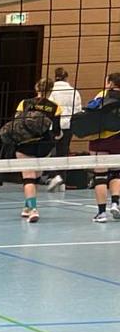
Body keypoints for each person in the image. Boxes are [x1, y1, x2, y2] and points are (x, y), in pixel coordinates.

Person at [10, 79, 62, 223]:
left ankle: (33, 209)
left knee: (28, 177)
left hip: (24, 142)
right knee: (35, 177)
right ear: (51, 90)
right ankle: (27, 207)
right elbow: (57, 131)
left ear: (36, 88)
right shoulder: (55, 107)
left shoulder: (24, 103)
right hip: (44, 144)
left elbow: (15, 123)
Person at [80, 72, 120, 222]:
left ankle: (102, 213)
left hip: (100, 140)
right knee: (117, 174)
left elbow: (89, 112)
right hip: (118, 141)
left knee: (100, 176)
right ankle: (115, 203)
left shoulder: (102, 95)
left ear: (110, 83)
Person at [46, 67, 83, 191]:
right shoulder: (74, 92)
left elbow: (49, 109)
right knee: (63, 151)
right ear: (66, 77)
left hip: (54, 125)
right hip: (68, 125)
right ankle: (62, 180)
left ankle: (53, 176)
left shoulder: (52, 91)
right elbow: (78, 110)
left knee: (52, 150)